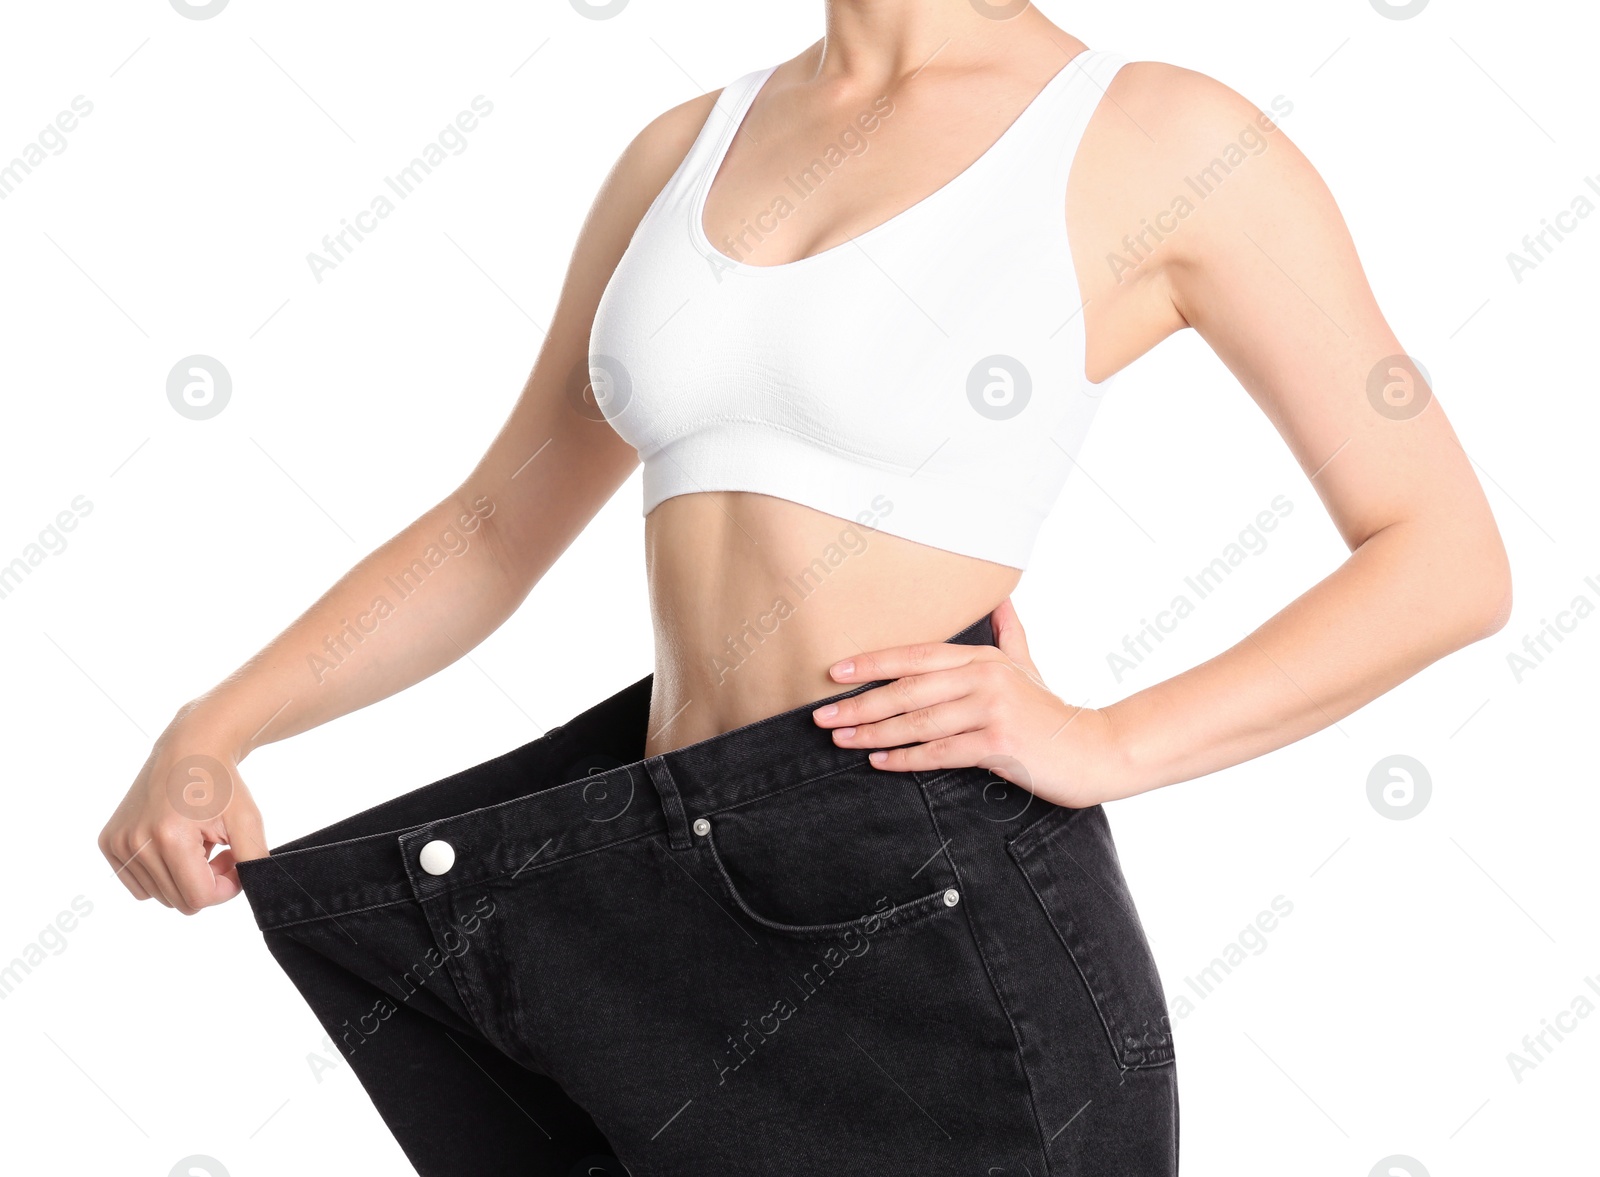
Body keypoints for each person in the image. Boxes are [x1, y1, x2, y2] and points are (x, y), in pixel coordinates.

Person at [98, 3, 1511, 1174]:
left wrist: (1106, 740)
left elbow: (1443, 553)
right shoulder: (682, 148)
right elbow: (491, 525)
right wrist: (216, 726)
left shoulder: (1152, 137)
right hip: (653, 917)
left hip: (933, 915)